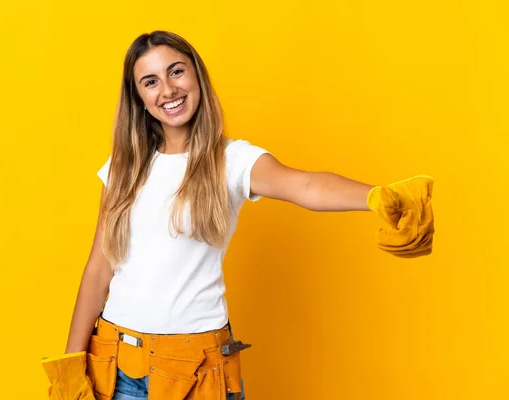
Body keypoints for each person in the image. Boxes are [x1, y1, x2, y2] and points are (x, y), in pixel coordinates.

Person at [41, 30, 434, 400]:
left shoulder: (232, 160)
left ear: (196, 75)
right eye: (151, 81)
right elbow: (99, 268)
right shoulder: (122, 167)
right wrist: (70, 365)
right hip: (116, 366)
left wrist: (378, 196)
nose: (168, 89)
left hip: (199, 371)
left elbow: (305, 186)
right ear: (139, 98)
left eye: (176, 71)